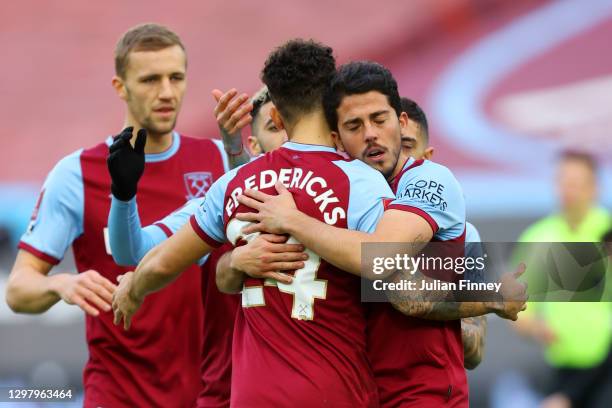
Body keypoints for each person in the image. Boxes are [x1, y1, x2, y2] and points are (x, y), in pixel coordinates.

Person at [112, 39, 396, 407]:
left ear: (276, 117)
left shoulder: (232, 184)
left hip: (253, 396)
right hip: (334, 391)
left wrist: (133, 290)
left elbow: (162, 262)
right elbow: (392, 264)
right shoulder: (358, 181)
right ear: (331, 106)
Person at [232, 61, 527, 407]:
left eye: (379, 119)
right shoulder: (337, 199)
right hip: (352, 392)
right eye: (355, 125)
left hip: (419, 397)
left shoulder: (429, 182)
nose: (370, 133)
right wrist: (236, 260)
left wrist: (487, 297)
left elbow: (401, 285)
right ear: (335, 138)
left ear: (400, 124)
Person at [4, 23, 232, 407]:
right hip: (118, 394)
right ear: (120, 87)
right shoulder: (77, 172)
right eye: (150, 79)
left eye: (176, 77)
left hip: (208, 393)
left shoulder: (219, 160)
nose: (166, 92)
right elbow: (18, 290)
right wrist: (61, 286)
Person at [513, 151, 612, 408]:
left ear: (594, 188)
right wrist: (535, 326)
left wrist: (569, 395)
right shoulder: (538, 238)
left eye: (576, 183)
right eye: (563, 182)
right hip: (562, 368)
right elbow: (517, 308)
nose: (568, 191)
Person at [400, 96, 487, 370]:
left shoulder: (465, 237)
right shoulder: (354, 225)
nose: (398, 159)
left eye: (406, 147)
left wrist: (441, 311)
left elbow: (476, 350)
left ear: (427, 159)